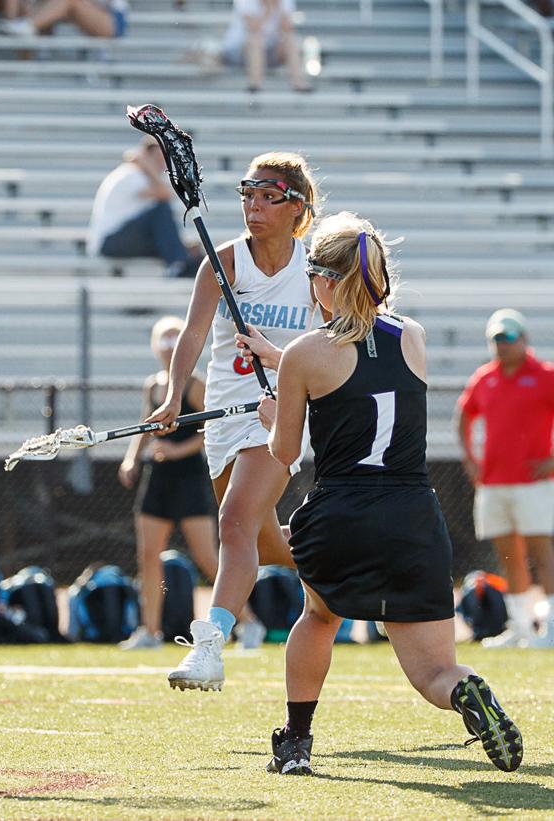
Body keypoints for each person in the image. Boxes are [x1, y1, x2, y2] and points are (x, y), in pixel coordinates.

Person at [251, 211, 522, 775]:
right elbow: (365, 369)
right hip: (412, 515)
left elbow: (285, 451)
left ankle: (296, 743)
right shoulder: (411, 337)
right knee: (433, 673)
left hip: (342, 511)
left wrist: (274, 413)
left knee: (319, 616)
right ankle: (467, 691)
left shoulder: (305, 353)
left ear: (325, 280)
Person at [148, 152, 319, 691]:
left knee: (234, 522)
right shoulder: (221, 263)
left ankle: (209, 648)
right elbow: (193, 335)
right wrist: (174, 396)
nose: (255, 207)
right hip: (223, 418)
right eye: (249, 196)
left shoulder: (314, 272)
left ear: (298, 208)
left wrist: (289, 385)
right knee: (263, 546)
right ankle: (354, 567)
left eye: (269, 198)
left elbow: (335, 347)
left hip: (279, 416)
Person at [455, 309, 554, 648]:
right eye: (497, 338)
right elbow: (464, 415)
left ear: (524, 339)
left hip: (534, 483)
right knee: (509, 556)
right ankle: (521, 627)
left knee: (542, 553)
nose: (502, 344)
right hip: (493, 484)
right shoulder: (484, 378)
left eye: (509, 337)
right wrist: (470, 460)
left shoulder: (545, 375)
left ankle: (551, 627)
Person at [118, 317, 218, 649]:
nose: (169, 345)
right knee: (149, 555)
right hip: (158, 478)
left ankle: (246, 621)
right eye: (164, 339)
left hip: (189, 476)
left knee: (206, 556)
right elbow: (145, 427)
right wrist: (132, 459)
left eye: (175, 338)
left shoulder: (196, 384)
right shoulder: (153, 385)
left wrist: (178, 450)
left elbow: (210, 429)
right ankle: (150, 631)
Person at [88, 138, 196, 278]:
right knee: (161, 210)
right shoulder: (130, 174)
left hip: (127, 238)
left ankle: (181, 266)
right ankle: (177, 265)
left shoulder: (147, 178)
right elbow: (165, 195)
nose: (162, 163)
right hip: (110, 241)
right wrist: (148, 167)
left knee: (193, 254)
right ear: (146, 157)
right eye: (157, 158)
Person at [221, 0, 312, 93]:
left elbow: (287, 29)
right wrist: (268, 9)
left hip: (270, 52)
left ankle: (298, 82)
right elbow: (254, 28)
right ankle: (255, 84)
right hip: (240, 51)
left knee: (290, 39)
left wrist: (279, 8)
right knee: (256, 39)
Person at [0, 0, 128, 38]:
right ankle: (20, 25)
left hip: (112, 21)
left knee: (70, 1)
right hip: (87, 15)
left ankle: (27, 26)